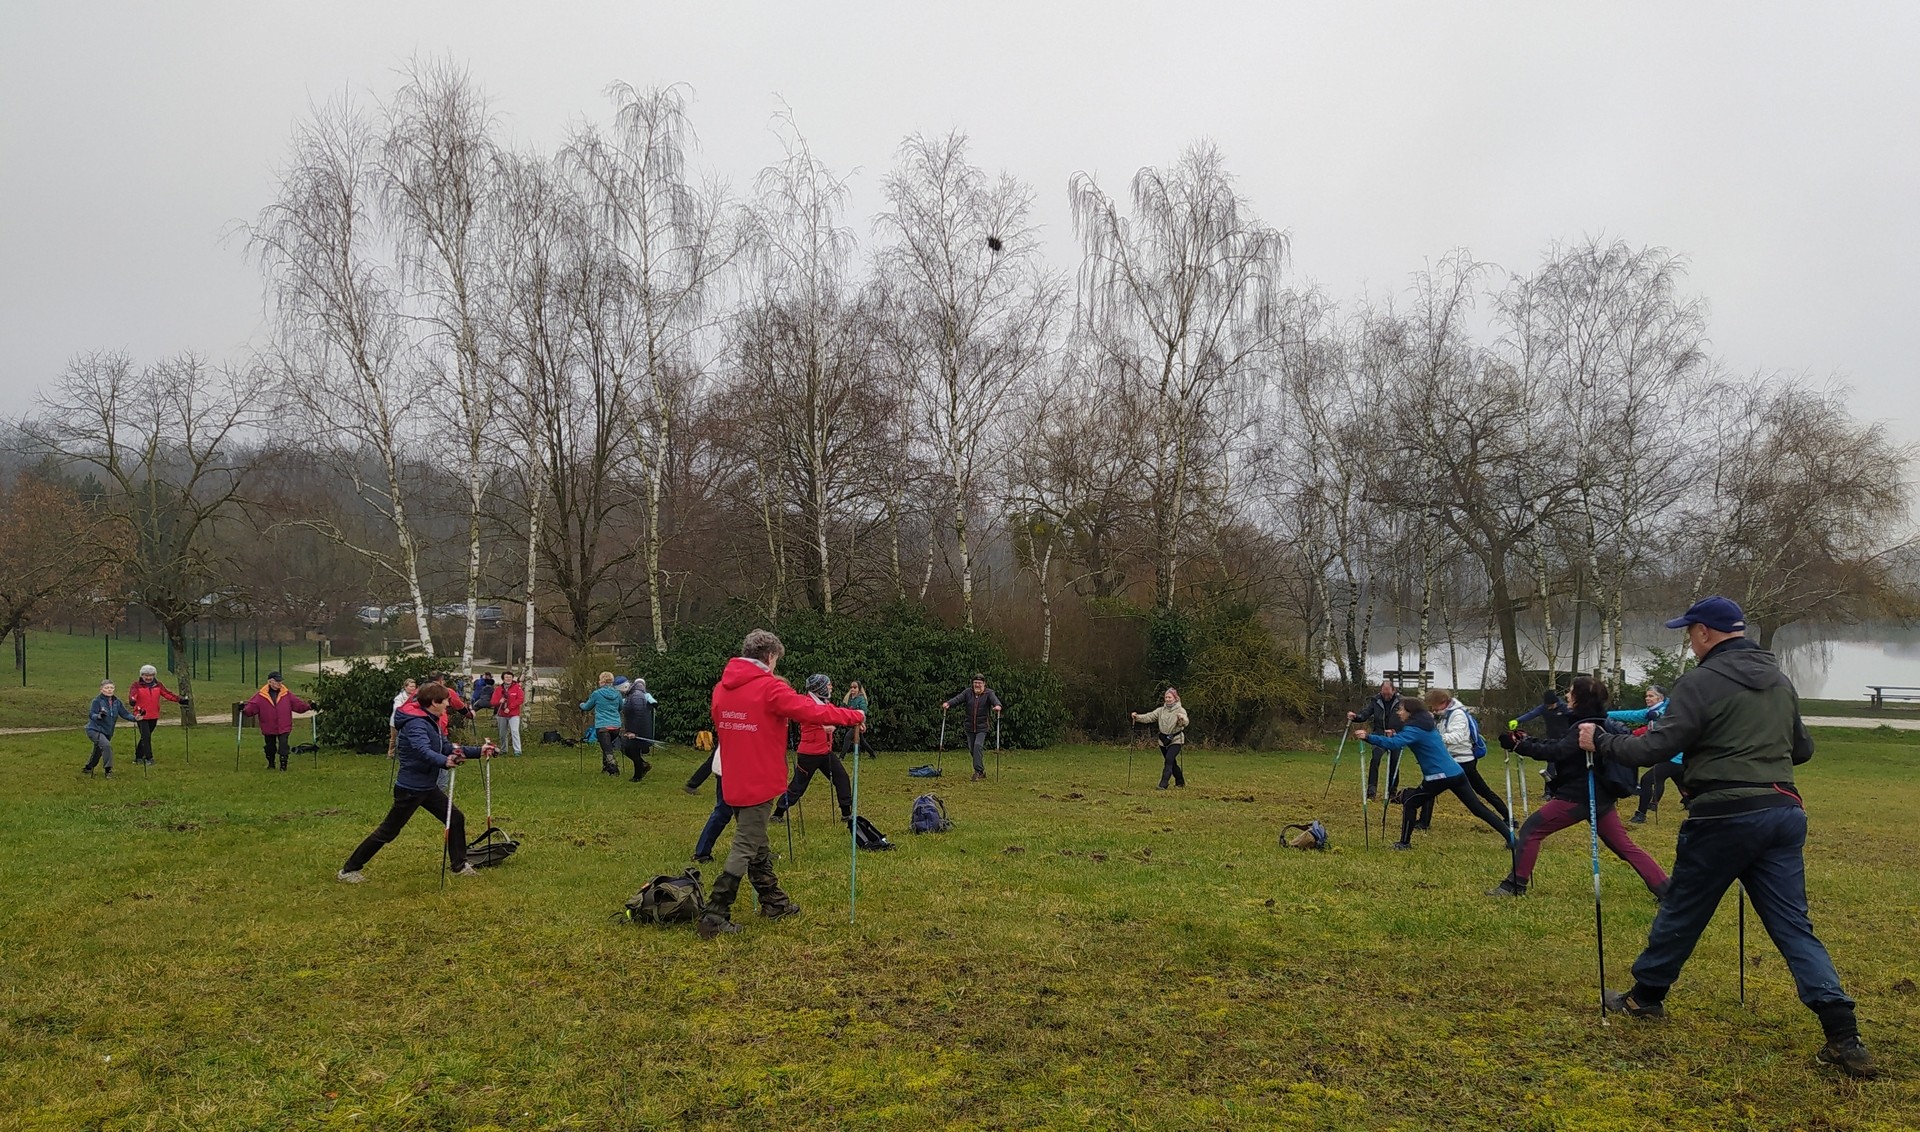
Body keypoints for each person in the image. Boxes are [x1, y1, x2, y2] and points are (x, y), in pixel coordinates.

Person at [1579, 596, 1874, 1077]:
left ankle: (1645, 998)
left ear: (1704, 633)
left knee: (1684, 908)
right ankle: (1843, 1031)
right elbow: (1802, 750)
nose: (1688, 640)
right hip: (1782, 811)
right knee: (1793, 925)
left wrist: (1602, 741)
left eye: (1689, 631)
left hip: (1721, 815)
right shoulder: (1780, 680)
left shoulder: (1701, 681)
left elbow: (1657, 746)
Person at [699, 629, 864, 939]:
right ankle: (715, 912)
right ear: (771, 657)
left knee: (757, 842)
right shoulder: (770, 688)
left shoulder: (721, 688)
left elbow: (721, 722)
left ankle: (773, 902)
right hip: (759, 779)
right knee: (747, 843)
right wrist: (852, 715)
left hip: (732, 777)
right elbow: (812, 710)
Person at [1488, 675, 1668, 900]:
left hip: (1578, 797)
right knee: (1624, 846)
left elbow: (1557, 753)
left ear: (1580, 698)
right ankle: (1667, 890)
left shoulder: (1587, 726)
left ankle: (1514, 885)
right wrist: (1525, 741)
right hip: (1601, 797)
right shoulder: (1599, 722)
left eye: (1571, 692)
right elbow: (1561, 746)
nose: (1566, 695)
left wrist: (1520, 746)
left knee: (1532, 830)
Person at [338, 682, 493, 883]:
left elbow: (445, 746)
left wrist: (479, 751)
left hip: (427, 787)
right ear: (433, 703)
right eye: (445, 700)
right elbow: (423, 750)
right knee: (388, 832)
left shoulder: (430, 719)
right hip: (410, 789)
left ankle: (459, 865)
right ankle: (348, 870)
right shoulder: (416, 723)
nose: (448, 703)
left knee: (455, 818)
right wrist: (444, 761)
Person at [1355, 696, 1516, 852]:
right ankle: (1512, 839)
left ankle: (1404, 843)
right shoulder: (1426, 725)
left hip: (1438, 777)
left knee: (1410, 802)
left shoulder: (1414, 728)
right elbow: (1410, 739)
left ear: (1410, 712)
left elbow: (1394, 744)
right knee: (1478, 808)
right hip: (1456, 772)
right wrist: (1396, 734)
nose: (1398, 712)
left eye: (1401, 709)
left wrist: (1368, 737)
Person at [1417, 688, 1508, 829]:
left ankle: (1508, 817)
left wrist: (1435, 738)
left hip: (1463, 760)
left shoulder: (1457, 714)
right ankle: (1423, 822)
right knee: (1430, 787)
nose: (1433, 709)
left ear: (1443, 702)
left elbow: (1458, 737)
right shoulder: (1444, 715)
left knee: (1482, 791)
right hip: (1449, 759)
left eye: (1433, 705)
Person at [774, 674, 855, 822]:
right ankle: (778, 813)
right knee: (798, 786)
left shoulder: (824, 702)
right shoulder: (807, 704)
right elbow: (814, 717)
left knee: (841, 778)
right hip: (809, 754)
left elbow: (834, 714)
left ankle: (846, 813)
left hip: (825, 751)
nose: (831, 687)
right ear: (820, 688)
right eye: (828, 684)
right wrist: (825, 726)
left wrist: (855, 721)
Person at [1610, 685, 1681, 824]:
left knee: (1647, 780)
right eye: (1646, 696)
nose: (1647, 698)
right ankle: (1693, 806)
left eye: (1651, 696)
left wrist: (1659, 715)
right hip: (1667, 756)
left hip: (1676, 756)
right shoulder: (1649, 712)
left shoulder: (1668, 710)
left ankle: (1641, 815)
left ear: (1660, 698)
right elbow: (1629, 714)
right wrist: (1604, 714)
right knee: (1684, 785)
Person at [242, 671, 312, 771]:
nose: (279, 683)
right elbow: (252, 707)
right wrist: (243, 710)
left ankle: (284, 765)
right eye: (277, 681)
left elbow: (298, 705)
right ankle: (271, 763)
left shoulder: (286, 694)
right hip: (268, 725)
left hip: (284, 725)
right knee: (270, 747)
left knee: (284, 745)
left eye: (280, 681)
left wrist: (309, 707)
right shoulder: (261, 695)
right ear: (270, 682)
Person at [941, 674, 1002, 782]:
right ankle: (981, 770)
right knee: (972, 749)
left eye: (979, 683)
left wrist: (997, 706)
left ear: (984, 684)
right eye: (975, 683)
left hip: (982, 727)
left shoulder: (989, 693)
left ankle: (977, 772)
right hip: (969, 726)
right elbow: (957, 699)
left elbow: (995, 701)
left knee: (977, 746)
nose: (977, 685)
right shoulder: (967, 692)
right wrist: (948, 703)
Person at [1348, 680, 1400, 800]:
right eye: (1384, 693)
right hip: (1379, 735)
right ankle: (1371, 792)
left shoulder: (1401, 702)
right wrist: (1356, 717)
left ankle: (1392, 793)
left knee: (1394, 763)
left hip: (1395, 736)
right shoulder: (1376, 700)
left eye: (1388, 694)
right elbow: (1365, 713)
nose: (1386, 696)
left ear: (1394, 691)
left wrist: (1396, 731)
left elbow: (1407, 718)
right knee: (1375, 760)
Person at [1130, 687, 1191, 789]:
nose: (1167, 699)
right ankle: (1180, 781)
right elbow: (1149, 717)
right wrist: (1137, 717)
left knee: (1169, 760)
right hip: (1163, 740)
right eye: (1166, 697)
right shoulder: (1161, 710)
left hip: (1176, 739)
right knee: (1172, 762)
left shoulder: (1180, 710)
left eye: (1170, 697)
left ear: (1175, 698)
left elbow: (1185, 722)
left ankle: (1163, 784)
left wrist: (1182, 718)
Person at [126, 664, 185, 766]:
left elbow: (167, 694)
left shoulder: (158, 685)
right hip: (141, 715)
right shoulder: (136, 685)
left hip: (153, 715)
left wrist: (180, 700)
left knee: (145, 737)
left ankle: (138, 756)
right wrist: (132, 700)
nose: (148, 678)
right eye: (146, 675)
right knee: (146, 736)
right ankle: (149, 758)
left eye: (151, 675)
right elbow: (133, 694)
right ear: (141, 675)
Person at [684, 746, 731, 864]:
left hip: (735, 766)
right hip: (730, 767)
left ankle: (760, 852)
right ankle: (702, 853)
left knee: (754, 814)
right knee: (723, 811)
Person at [82, 680, 137, 777]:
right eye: (107, 688)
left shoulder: (116, 702)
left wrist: (135, 718)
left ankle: (89, 767)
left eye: (111, 688)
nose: (109, 690)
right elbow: (92, 714)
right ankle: (108, 770)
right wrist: (98, 716)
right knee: (106, 746)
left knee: (99, 749)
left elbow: (125, 714)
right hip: (95, 729)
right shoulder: (97, 701)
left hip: (108, 731)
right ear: (101, 689)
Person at [580, 672, 624, 775]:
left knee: (607, 749)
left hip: (603, 726)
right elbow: (621, 707)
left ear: (602, 681)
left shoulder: (597, 694)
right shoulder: (617, 694)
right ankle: (606, 768)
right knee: (606, 746)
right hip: (616, 726)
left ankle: (614, 769)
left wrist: (581, 705)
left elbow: (587, 707)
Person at [621, 677, 657, 782]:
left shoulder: (636, 695)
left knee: (632, 750)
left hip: (638, 729)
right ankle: (642, 767)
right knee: (628, 749)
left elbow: (638, 715)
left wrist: (634, 732)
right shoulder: (634, 694)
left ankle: (638, 775)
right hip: (636, 727)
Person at [495, 671, 526, 755]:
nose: (508, 679)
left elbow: (520, 699)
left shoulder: (517, 687)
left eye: (510, 677)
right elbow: (493, 701)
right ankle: (504, 749)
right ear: (503, 679)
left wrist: (509, 708)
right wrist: (499, 702)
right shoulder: (499, 689)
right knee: (502, 734)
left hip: (514, 714)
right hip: (502, 714)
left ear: (512, 678)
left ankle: (517, 751)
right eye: (506, 677)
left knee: (515, 731)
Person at [842, 680, 874, 757]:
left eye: (855, 687)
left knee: (848, 737)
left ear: (858, 688)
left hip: (858, 722)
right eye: (851, 687)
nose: (852, 689)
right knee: (862, 740)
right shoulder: (849, 698)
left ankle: (841, 756)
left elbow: (863, 711)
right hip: (852, 721)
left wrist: (861, 723)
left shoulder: (861, 698)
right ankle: (872, 754)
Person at [388, 677, 418, 757]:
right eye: (411, 686)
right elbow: (397, 708)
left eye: (414, 686)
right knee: (394, 739)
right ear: (405, 687)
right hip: (396, 721)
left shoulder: (416, 697)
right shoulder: (399, 697)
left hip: (410, 720)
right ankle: (391, 754)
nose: (413, 688)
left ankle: (405, 753)